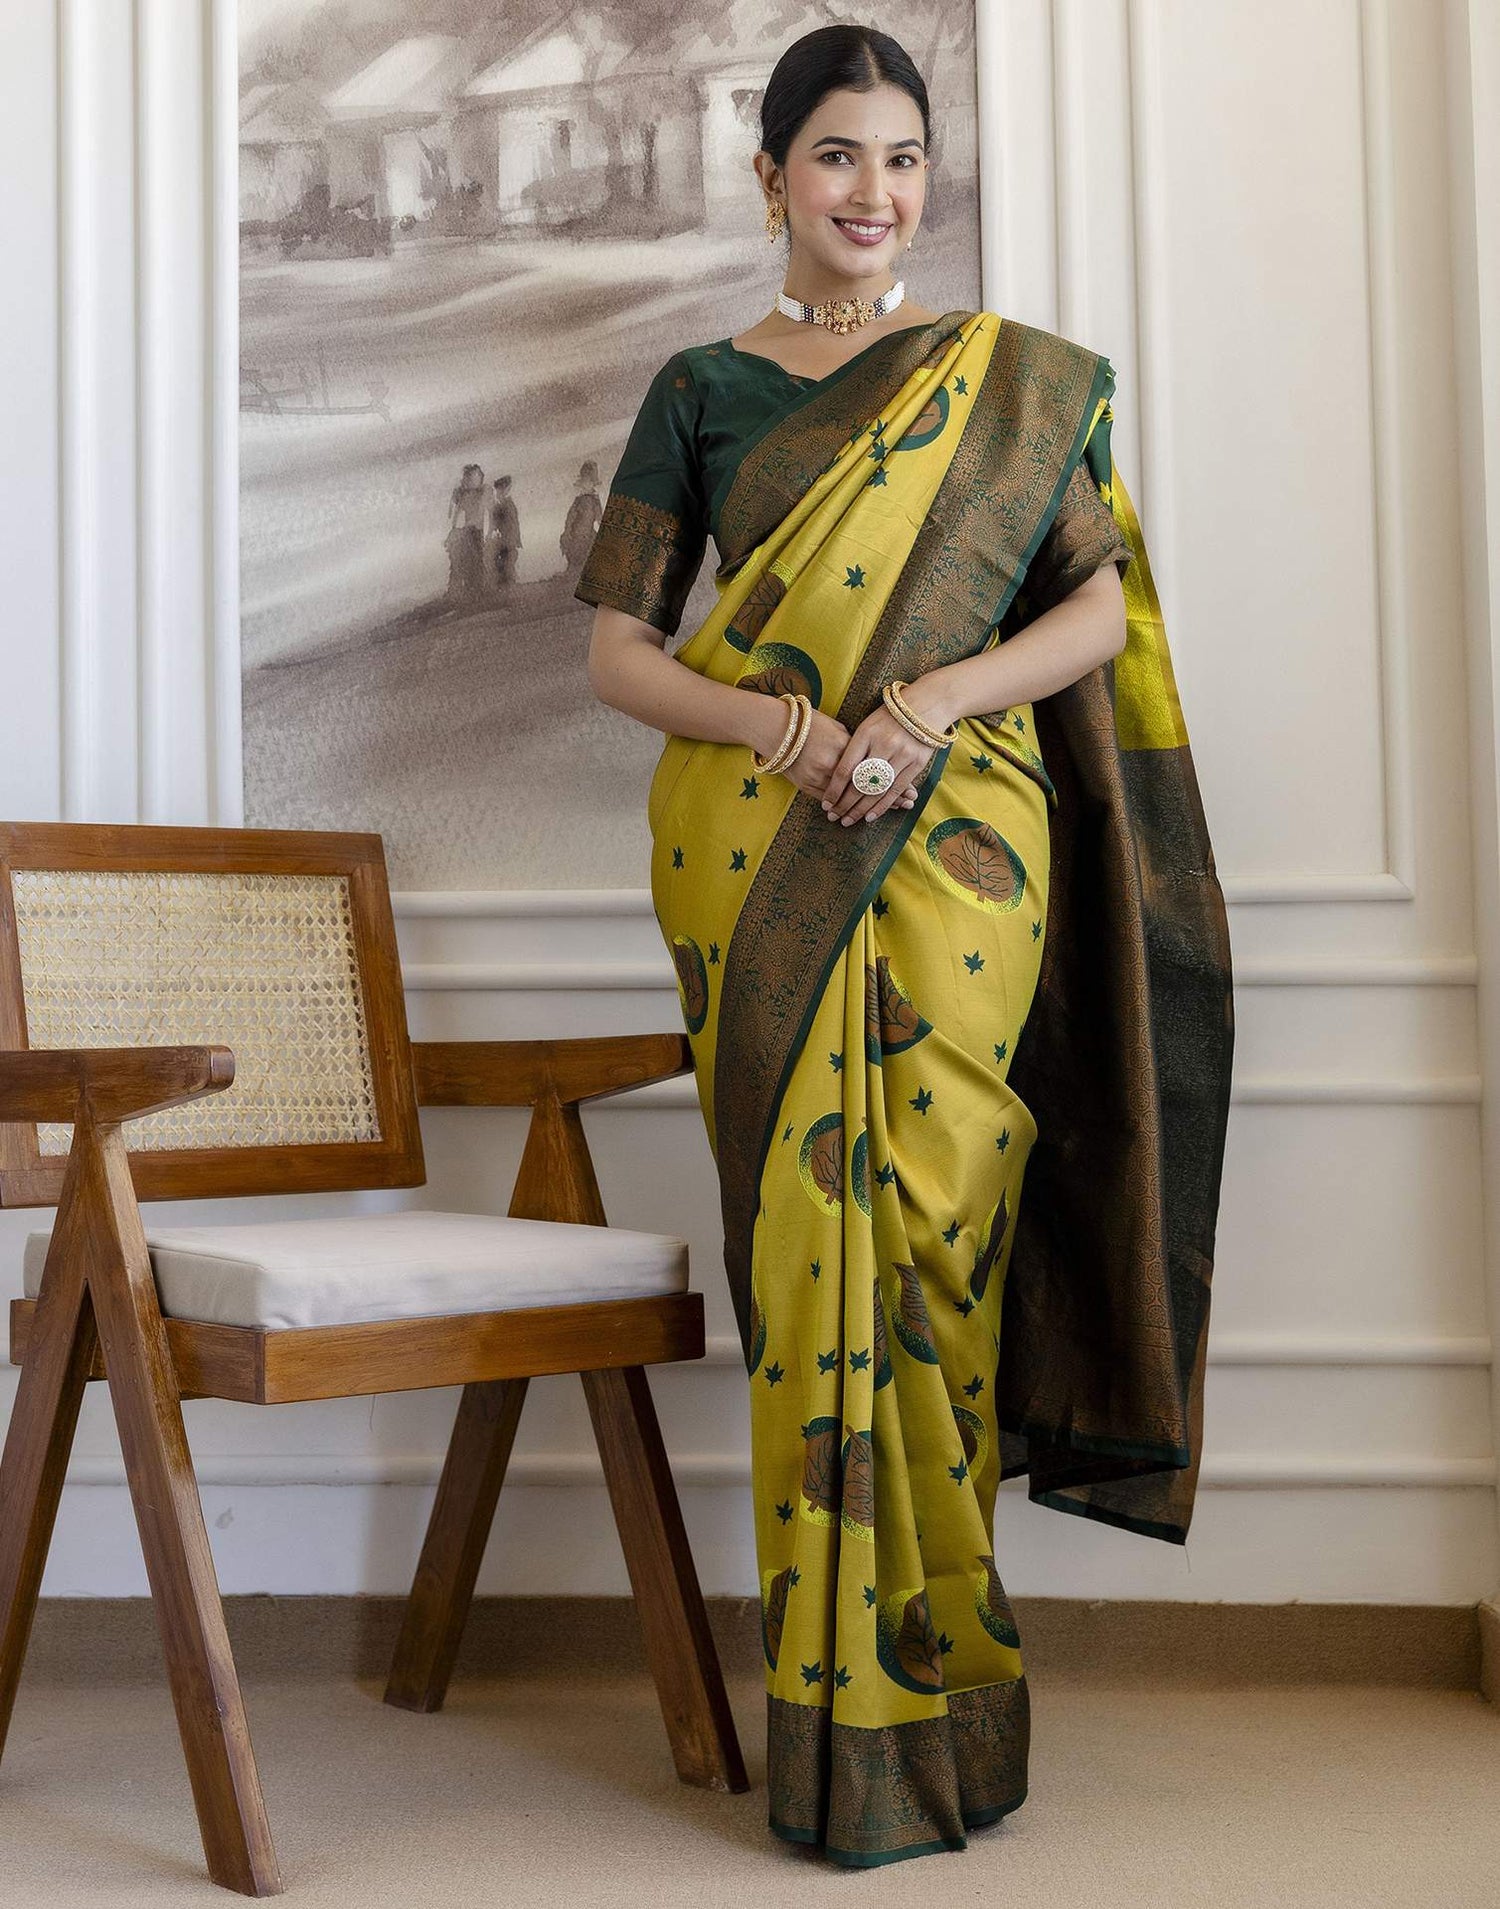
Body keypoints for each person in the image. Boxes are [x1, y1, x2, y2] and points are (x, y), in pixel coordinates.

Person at [576, 23, 1233, 1872]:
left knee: (937, 1246)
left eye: (904, 162)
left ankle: (946, 1696)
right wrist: (784, 732)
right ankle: (835, 1728)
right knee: (808, 1277)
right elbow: (620, 654)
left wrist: (933, 699)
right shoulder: (700, 387)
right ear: (772, 173)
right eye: (839, 159)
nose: (877, 195)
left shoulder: (1008, 390)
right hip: (761, 849)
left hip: (959, 851)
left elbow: (1100, 609)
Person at [444, 463, 486, 605]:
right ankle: (465, 594)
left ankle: (474, 594)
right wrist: (454, 530)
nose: (479, 479)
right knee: (467, 563)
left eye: (479, 477)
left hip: (475, 532)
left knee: (476, 562)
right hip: (467, 532)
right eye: (475, 477)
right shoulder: (464, 495)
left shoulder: (481, 493)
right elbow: (454, 515)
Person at [559, 460, 603, 577]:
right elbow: (570, 518)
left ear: (592, 483)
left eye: (587, 481)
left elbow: (600, 519)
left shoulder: (594, 501)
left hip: (586, 536)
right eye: (583, 481)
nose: (583, 484)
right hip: (575, 535)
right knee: (575, 559)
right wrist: (567, 531)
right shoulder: (579, 500)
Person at [487, 474, 521, 590]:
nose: (498, 493)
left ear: (506, 489)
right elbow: (494, 524)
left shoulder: (507, 505)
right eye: (498, 491)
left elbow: (513, 524)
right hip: (505, 539)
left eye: (501, 490)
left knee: (507, 563)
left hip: (508, 539)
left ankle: (508, 586)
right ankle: (505, 586)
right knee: (503, 563)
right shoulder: (502, 505)